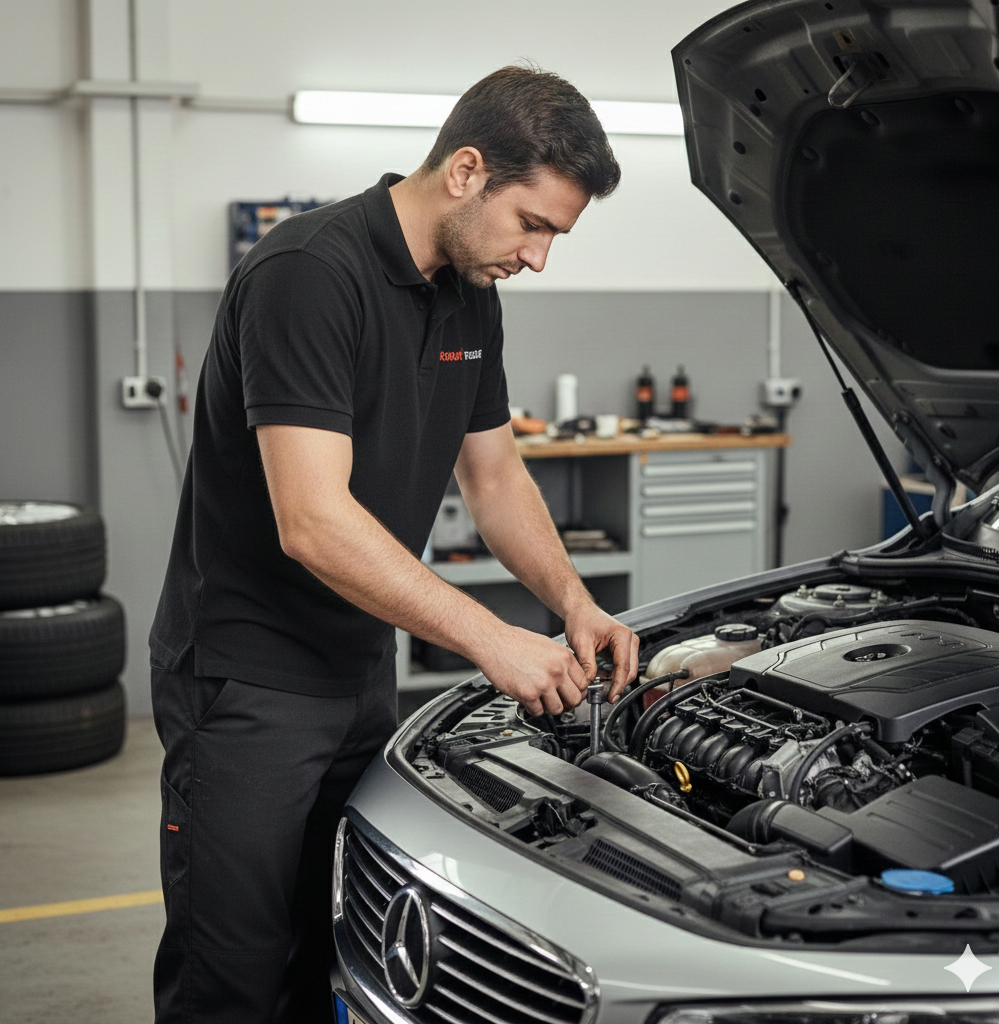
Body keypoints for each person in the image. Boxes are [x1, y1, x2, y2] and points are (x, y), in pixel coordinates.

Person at [149, 64, 637, 1024]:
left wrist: (573, 603)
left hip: (359, 673)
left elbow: (493, 480)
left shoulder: (470, 296)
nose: (539, 257)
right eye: (533, 224)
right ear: (465, 172)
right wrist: (492, 638)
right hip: (246, 682)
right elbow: (313, 521)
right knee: (233, 975)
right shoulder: (307, 275)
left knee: (333, 947)